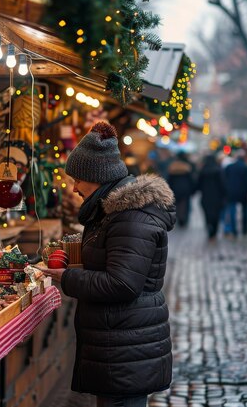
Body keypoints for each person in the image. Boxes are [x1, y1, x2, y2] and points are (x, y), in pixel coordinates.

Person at [40, 121, 175, 407]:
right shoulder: (113, 212)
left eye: (78, 179)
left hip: (126, 350)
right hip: (122, 344)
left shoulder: (130, 216)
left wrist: (66, 277)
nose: (74, 188)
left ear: (97, 176)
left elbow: (122, 283)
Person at [223, 150, 247, 236]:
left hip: (231, 192)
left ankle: (234, 230)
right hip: (243, 192)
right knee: (245, 211)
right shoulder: (246, 168)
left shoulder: (229, 167)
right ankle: (244, 229)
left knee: (232, 211)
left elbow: (225, 179)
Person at [197, 154, 225, 240]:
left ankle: (209, 229)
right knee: (216, 215)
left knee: (207, 215)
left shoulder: (203, 171)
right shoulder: (218, 170)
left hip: (205, 197)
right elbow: (222, 184)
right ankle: (214, 231)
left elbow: (198, 184)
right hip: (217, 197)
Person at [166, 151, 194, 227]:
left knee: (176, 204)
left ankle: (178, 217)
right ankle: (183, 218)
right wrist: (193, 189)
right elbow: (191, 179)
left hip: (175, 188)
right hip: (185, 188)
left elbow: (169, 179)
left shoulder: (172, 166)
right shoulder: (187, 166)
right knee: (185, 204)